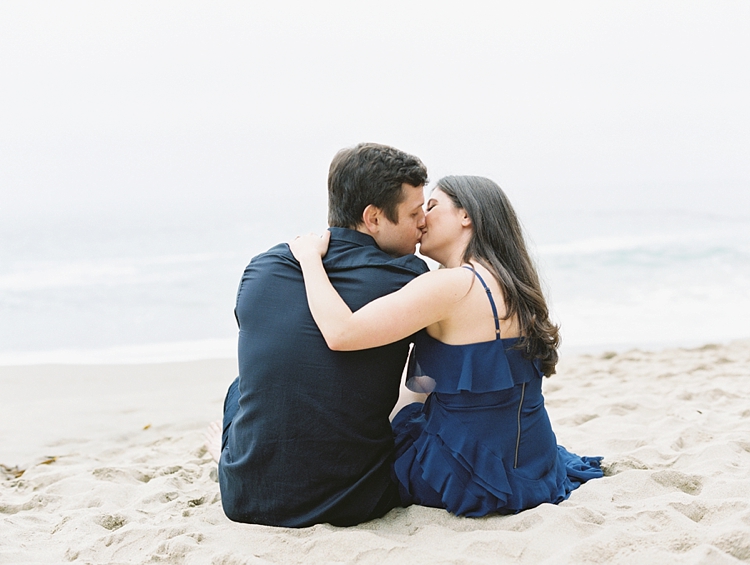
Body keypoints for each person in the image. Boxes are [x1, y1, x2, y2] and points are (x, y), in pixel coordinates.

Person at [289, 175, 603, 517]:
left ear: (466, 216)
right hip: (534, 463)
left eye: (433, 206)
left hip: (468, 476)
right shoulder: (512, 283)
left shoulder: (450, 284)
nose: (422, 218)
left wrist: (309, 259)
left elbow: (342, 333)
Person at [212, 143, 430, 528]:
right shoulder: (407, 277)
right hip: (355, 500)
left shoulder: (262, 269)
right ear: (374, 218)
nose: (423, 225)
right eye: (414, 214)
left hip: (244, 498)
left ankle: (233, 454)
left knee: (242, 385)